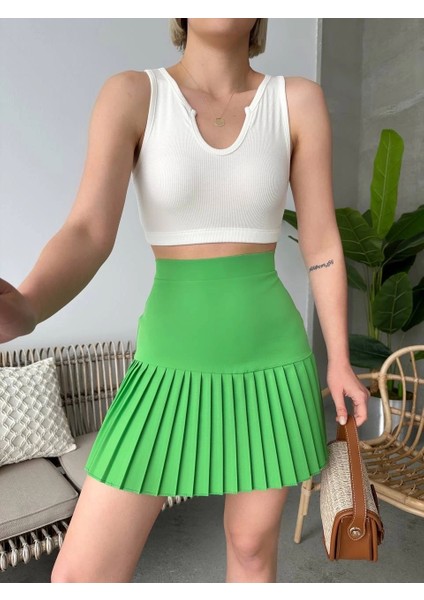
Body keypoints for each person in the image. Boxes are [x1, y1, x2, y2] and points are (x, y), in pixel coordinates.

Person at [0, 18, 369, 583]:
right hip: (166, 364)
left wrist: (339, 358)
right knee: (79, 579)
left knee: (251, 549)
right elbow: (87, 232)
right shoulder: (132, 94)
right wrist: (27, 307)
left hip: (272, 362)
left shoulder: (297, 101)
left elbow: (320, 242)